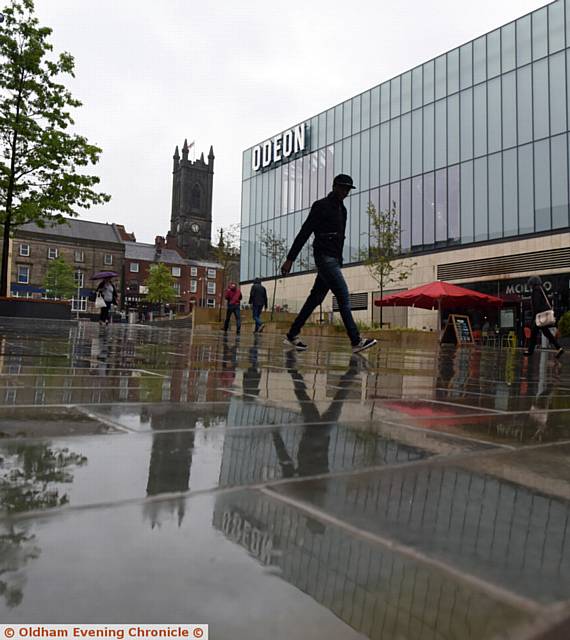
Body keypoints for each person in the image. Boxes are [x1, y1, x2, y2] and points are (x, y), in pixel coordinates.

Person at [280, 174, 377, 354]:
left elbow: (340, 238)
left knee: (315, 299)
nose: (345, 192)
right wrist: (290, 259)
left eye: (348, 189)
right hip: (324, 257)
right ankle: (356, 341)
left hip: (334, 259)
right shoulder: (321, 206)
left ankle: (291, 335)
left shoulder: (343, 210)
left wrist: (340, 260)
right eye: (342, 188)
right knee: (343, 296)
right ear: (334, 186)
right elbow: (305, 232)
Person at [524, 276, 563, 358]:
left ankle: (530, 351)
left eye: (530, 285)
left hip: (540, 317)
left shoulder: (536, 291)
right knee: (546, 333)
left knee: (534, 332)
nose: (530, 287)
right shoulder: (542, 290)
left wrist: (534, 318)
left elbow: (536, 306)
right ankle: (559, 347)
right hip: (544, 316)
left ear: (533, 284)